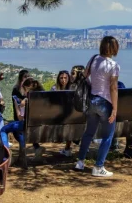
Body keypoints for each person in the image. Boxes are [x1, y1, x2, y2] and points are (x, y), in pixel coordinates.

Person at [74, 36, 120, 177]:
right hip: (105, 102)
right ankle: (98, 167)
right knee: (107, 136)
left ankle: (80, 162)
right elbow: (113, 88)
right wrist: (115, 109)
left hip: (92, 101)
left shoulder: (93, 59)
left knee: (89, 133)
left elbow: (85, 75)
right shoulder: (113, 65)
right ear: (114, 48)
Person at [2, 77, 44, 160]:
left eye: (23, 89)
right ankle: (34, 149)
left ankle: (6, 155)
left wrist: (18, 107)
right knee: (22, 128)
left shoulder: (25, 100)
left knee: (4, 129)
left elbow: (20, 118)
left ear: (26, 88)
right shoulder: (42, 98)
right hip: (40, 126)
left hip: (27, 125)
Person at [51, 70, 74, 157]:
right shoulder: (54, 88)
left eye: (65, 78)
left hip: (69, 114)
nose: (63, 80)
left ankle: (67, 148)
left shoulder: (72, 88)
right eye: (61, 78)